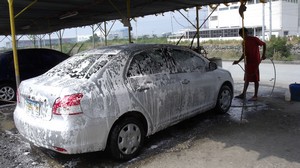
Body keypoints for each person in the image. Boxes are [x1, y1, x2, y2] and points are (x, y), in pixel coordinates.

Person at [233, 27, 266, 101]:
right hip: (247, 62)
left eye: (243, 34)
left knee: (255, 78)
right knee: (247, 79)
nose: (242, 36)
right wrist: (238, 61)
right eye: (241, 35)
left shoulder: (254, 39)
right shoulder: (243, 42)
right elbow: (244, 54)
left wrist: (263, 55)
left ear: (246, 33)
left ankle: (255, 95)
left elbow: (264, 44)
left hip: (255, 62)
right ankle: (243, 94)